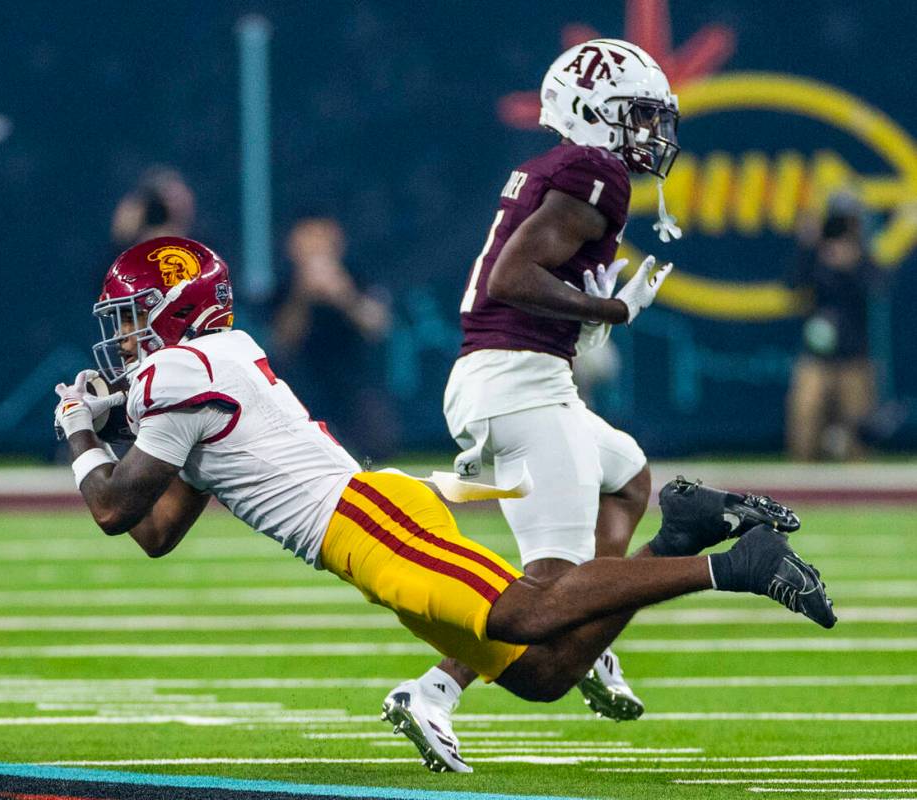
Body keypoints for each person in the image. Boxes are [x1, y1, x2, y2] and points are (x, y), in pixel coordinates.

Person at [54, 236, 835, 774]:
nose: (123, 340)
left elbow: (115, 507)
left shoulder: (181, 373)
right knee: (542, 673)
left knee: (532, 611)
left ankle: (736, 564)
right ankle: (680, 538)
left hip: (369, 521)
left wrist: (81, 433)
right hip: (364, 535)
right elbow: (156, 531)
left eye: (132, 317)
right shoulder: (201, 370)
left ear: (176, 309)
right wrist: (107, 428)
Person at [384, 38, 686, 766]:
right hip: (517, 384)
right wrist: (610, 314)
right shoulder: (594, 171)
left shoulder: (564, 169)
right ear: (593, 114)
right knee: (550, 580)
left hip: (518, 377)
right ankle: (432, 692)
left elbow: (526, 282)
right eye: (638, 116)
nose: (652, 134)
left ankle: (587, 643)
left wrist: (587, 307)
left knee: (630, 478)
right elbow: (511, 280)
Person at [270, 217, 396, 457]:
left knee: (377, 448)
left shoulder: (359, 276)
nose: (316, 248)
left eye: (322, 238)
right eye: (308, 239)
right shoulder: (282, 286)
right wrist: (302, 295)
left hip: (354, 384)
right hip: (300, 387)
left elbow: (377, 326)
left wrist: (343, 295)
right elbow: (282, 341)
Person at [785, 191, 878, 461]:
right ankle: (802, 482)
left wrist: (852, 264)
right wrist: (806, 246)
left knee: (858, 428)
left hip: (853, 357)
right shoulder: (816, 253)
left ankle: (859, 488)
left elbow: (877, 286)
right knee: (804, 415)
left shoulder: (862, 255)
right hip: (816, 356)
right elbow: (793, 283)